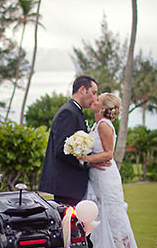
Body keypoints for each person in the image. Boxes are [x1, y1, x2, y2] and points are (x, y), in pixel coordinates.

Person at [86, 92, 155, 248]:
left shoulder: (104, 125)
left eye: (98, 99)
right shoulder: (95, 125)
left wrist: (85, 159)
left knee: (117, 222)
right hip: (96, 179)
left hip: (107, 180)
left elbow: (108, 155)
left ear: (103, 109)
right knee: (100, 224)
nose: (94, 100)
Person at [38, 75, 111, 208]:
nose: (95, 98)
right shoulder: (68, 113)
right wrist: (87, 161)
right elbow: (61, 150)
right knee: (69, 227)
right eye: (93, 93)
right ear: (83, 89)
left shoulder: (75, 111)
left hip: (70, 186)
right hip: (67, 185)